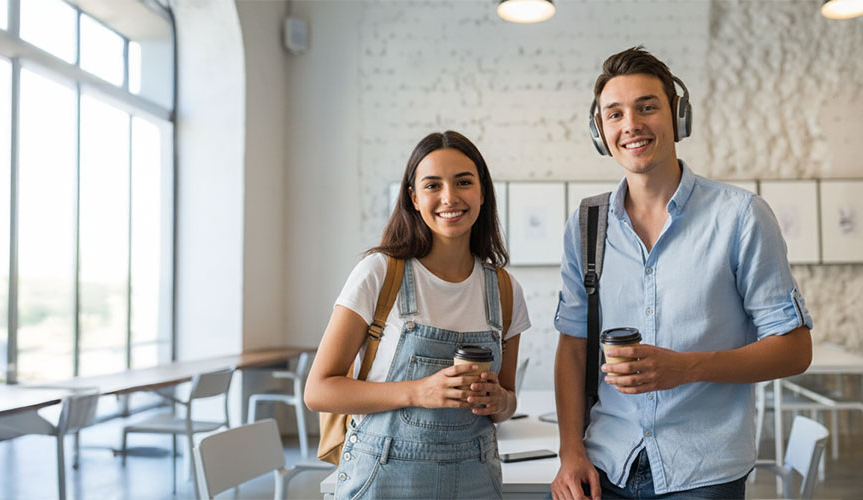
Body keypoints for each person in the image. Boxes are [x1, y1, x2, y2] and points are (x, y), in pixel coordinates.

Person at [550, 47, 814, 500]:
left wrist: (687, 367)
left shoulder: (741, 217)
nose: (630, 124)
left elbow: (794, 350)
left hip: (703, 471)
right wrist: (570, 452)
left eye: (647, 107)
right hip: (605, 463)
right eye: (614, 114)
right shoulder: (586, 225)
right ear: (601, 131)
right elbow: (573, 346)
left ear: (678, 116)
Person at [305, 130, 531, 500]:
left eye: (463, 182)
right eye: (432, 185)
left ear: (483, 192)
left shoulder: (505, 290)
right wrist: (418, 391)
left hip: (476, 478)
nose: (449, 197)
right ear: (413, 197)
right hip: (384, 474)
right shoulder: (378, 273)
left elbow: (506, 403)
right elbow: (318, 391)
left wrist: (500, 401)